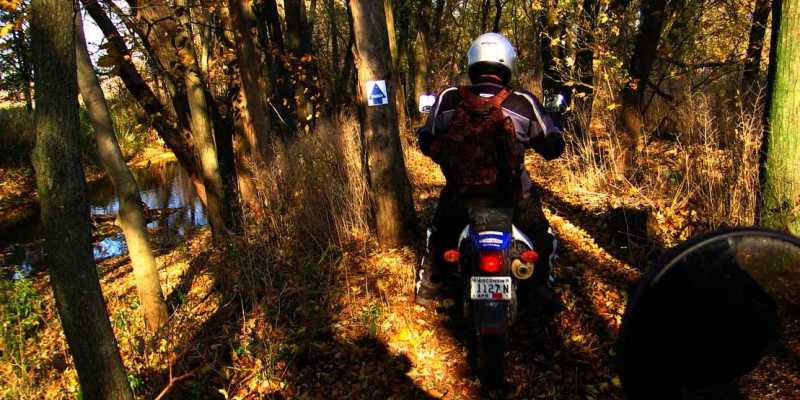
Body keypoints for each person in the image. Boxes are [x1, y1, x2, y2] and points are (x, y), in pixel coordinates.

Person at [414, 32, 566, 312]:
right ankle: (540, 287)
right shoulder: (523, 102)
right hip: (512, 198)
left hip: (459, 196)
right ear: (508, 63)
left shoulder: (448, 98)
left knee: (439, 239)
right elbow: (553, 148)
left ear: (472, 62)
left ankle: (429, 286)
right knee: (542, 238)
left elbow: (425, 142)